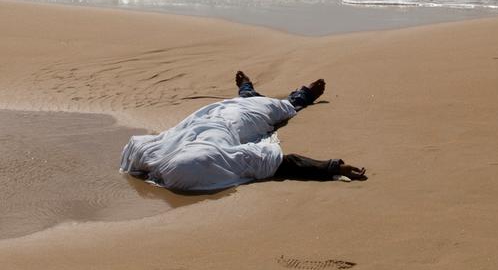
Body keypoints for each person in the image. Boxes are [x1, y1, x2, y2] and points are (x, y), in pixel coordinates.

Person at [119, 71, 368, 194]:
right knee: (278, 107)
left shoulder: (150, 154)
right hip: (237, 120)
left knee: (262, 105)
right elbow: (282, 164)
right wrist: (331, 167)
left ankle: (252, 90)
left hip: (214, 117)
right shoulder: (197, 161)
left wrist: (332, 167)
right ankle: (298, 95)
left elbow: (280, 163)